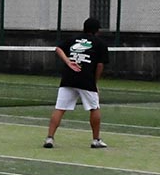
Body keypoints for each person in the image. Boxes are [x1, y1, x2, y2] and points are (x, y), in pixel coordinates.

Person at [44, 17, 110, 149]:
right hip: (86, 79)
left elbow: (58, 49)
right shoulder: (100, 43)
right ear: (97, 31)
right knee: (94, 108)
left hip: (68, 78)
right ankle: (96, 140)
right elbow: (100, 65)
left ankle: (49, 138)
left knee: (60, 108)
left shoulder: (73, 39)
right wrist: (95, 82)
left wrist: (68, 62)